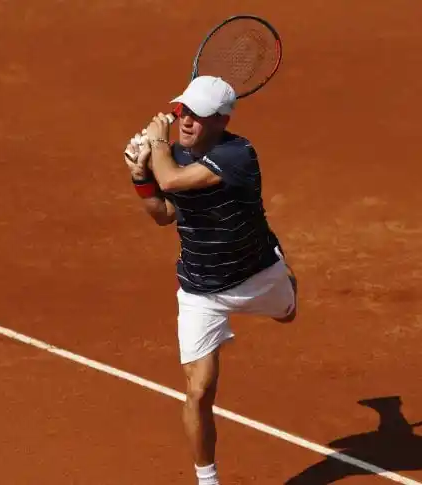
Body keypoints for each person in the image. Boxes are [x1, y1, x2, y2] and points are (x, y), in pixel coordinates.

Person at [123, 75, 298, 485]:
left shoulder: (238, 155)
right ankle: (208, 480)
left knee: (288, 314)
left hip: (257, 274)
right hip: (201, 288)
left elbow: (171, 180)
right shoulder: (173, 156)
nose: (186, 121)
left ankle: (287, 279)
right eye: (183, 111)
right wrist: (139, 177)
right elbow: (165, 213)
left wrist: (156, 143)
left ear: (222, 120)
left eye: (198, 115)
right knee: (199, 391)